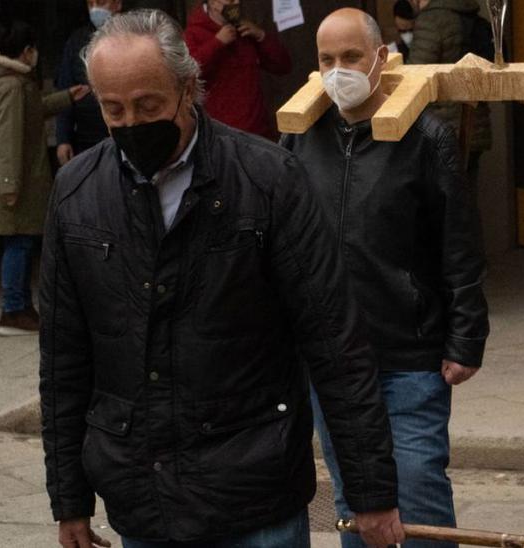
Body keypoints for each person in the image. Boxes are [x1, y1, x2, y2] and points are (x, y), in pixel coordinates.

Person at [39, 10, 403, 548]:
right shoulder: (76, 194)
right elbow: (64, 360)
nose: (132, 124)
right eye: (113, 110)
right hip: (144, 498)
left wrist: (370, 492)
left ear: (188, 88)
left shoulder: (268, 180)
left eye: (149, 105)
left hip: (256, 493)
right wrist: (69, 501)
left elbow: (334, 343)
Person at [281, 8, 489, 548]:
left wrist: (466, 337)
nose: (339, 69)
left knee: (417, 494)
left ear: (382, 58)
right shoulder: (301, 140)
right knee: (356, 500)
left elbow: (459, 245)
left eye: (351, 57)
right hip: (331, 359)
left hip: (409, 354)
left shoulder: (427, 138)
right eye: (327, 59)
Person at [0, 20, 88, 336]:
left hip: (15, 177)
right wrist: (9, 187)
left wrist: (67, 96)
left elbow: (33, 110)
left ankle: (20, 306)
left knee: (21, 241)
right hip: (15, 179)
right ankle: (13, 310)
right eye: (34, 49)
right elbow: (9, 138)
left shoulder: (12, 81)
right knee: (20, 243)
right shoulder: (11, 86)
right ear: (27, 51)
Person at [408, 0, 491, 184]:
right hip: (476, 123)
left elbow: (415, 77)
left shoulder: (431, 20)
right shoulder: (470, 13)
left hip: (442, 127)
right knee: (466, 198)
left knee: (445, 204)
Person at [183, 0, 291, 140]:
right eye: (231, 0)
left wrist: (261, 36)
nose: (237, 2)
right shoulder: (194, 34)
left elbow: (283, 65)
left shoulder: (244, 30)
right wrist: (217, 43)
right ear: (213, 3)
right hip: (222, 135)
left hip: (258, 131)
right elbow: (188, 73)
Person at [55, 0, 122, 167]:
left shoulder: (133, 38)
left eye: (101, 2)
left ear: (118, 4)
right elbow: (65, 90)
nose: (95, 9)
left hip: (124, 135)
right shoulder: (77, 41)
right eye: (90, 4)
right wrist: (63, 139)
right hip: (87, 141)